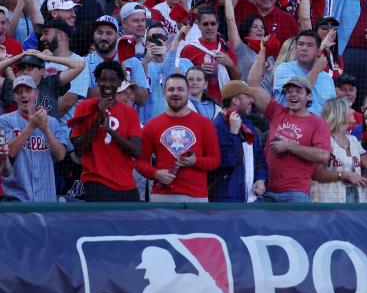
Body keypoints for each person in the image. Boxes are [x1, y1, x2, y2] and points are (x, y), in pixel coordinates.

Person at [136, 74, 221, 203]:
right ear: (164, 93)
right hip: (162, 196)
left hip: (196, 197)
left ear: (188, 93)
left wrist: (195, 162)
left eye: (180, 89)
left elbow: (215, 160)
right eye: (171, 89)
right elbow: (140, 163)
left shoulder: (205, 124)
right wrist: (156, 174)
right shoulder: (151, 126)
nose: (175, 93)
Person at [248, 74, 332, 203]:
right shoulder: (277, 111)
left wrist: (289, 146)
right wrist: (263, 52)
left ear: (308, 96)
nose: (292, 94)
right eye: (289, 91)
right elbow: (253, 85)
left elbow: (324, 155)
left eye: (298, 91)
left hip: (295, 193)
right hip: (266, 190)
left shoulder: (317, 123)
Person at [69, 61, 142, 202]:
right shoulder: (84, 107)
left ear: (120, 82)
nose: (107, 84)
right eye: (103, 79)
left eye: (112, 80)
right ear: (96, 81)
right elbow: (79, 150)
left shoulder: (130, 112)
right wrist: (99, 119)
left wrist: (111, 132)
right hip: (97, 184)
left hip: (127, 186)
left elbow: (136, 152)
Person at [0, 75, 67, 202]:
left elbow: (61, 155)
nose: (23, 95)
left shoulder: (52, 122)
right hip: (16, 199)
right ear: (14, 97)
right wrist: (31, 127)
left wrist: (45, 129)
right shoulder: (4, 121)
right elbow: (10, 152)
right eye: (19, 92)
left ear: (36, 93)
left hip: (45, 198)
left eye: (28, 90)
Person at [312, 97, 367, 203]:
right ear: (340, 112)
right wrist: (344, 175)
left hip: (353, 201)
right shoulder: (323, 139)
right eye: (350, 108)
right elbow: (316, 174)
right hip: (327, 203)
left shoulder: (353, 140)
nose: (354, 111)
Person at [211, 80, 267, 203]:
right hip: (226, 202)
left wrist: (260, 179)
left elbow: (259, 157)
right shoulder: (216, 127)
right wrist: (234, 133)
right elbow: (227, 162)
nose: (252, 101)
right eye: (247, 96)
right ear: (235, 100)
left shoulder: (247, 124)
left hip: (251, 200)